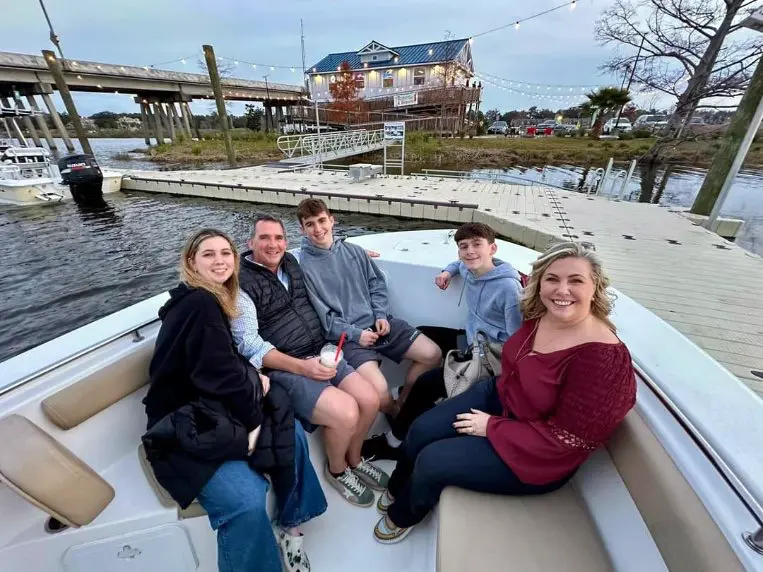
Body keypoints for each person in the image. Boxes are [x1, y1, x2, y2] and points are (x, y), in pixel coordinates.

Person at [373, 240, 637, 543]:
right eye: (552, 279)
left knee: (433, 460)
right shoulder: (541, 313)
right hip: (501, 395)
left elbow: (567, 442)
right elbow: (503, 274)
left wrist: (492, 427)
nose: (562, 290)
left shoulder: (603, 360)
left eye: (576, 280)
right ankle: (397, 487)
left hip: (536, 454)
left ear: (596, 288)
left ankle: (405, 512)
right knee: (420, 428)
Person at [143, 229, 326, 572]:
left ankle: (290, 525)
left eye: (225, 253)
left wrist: (253, 380)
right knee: (244, 501)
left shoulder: (209, 300)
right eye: (209, 254)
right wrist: (255, 401)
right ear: (191, 262)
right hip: (183, 425)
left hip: (212, 407)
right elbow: (219, 375)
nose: (220, 261)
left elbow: (219, 364)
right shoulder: (200, 303)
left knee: (292, 431)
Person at [233, 215, 389, 509]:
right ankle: (337, 470)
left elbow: (323, 253)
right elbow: (249, 344)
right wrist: (304, 367)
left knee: (370, 399)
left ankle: (355, 459)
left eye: (279, 238)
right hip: (286, 366)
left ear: (286, 242)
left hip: (322, 349)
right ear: (249, 243)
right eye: (264, 238)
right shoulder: (241, 285)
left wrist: (354, 255)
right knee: (346, 412)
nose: (273, 244)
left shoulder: (291, 263)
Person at [362, 222, 524, 461]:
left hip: (490, 356)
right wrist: (448, 272)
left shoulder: (508, 288)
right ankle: (406, 394)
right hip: (472, 340)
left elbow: (516, 340)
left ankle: (394, 442)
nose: (470, 252)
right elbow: (459, 265)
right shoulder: (471, 268)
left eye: (477, 245)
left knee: (426, 383)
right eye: (463, 247)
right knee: (423, 333)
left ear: (493, 249)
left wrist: (501, 383)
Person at [296, 198, 443, 416]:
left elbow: (376, 284)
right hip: (347, 339)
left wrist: (381, 315)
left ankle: (404, 403)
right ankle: (396, 416)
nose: (318, 229)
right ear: (302, 229)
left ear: (332, 220)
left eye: (321, 220)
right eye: (310, 224)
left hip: (379, 324)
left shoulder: (354, 251)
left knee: (432, 354)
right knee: (380, 393)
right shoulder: (304, 267)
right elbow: (324, 319)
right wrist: (357, 334)